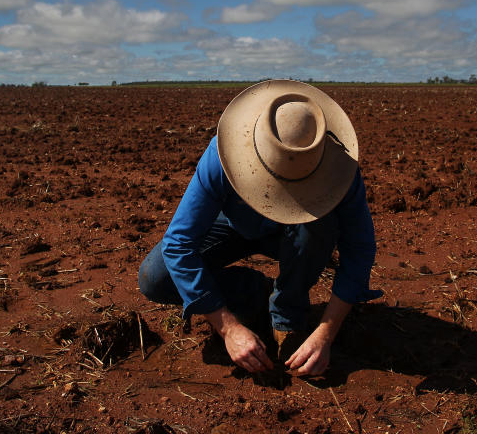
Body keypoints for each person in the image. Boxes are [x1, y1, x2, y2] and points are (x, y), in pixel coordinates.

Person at [138, 80, 380, 375]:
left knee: (320, 224)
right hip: (233, 223)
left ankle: (287, 314)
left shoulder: (340, 169)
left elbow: (360, 248)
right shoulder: (222, 154)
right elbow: (179, 244)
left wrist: (325, 334)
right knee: (156, 277)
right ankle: (254, 292)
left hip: (302, 231)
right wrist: (228, 328)